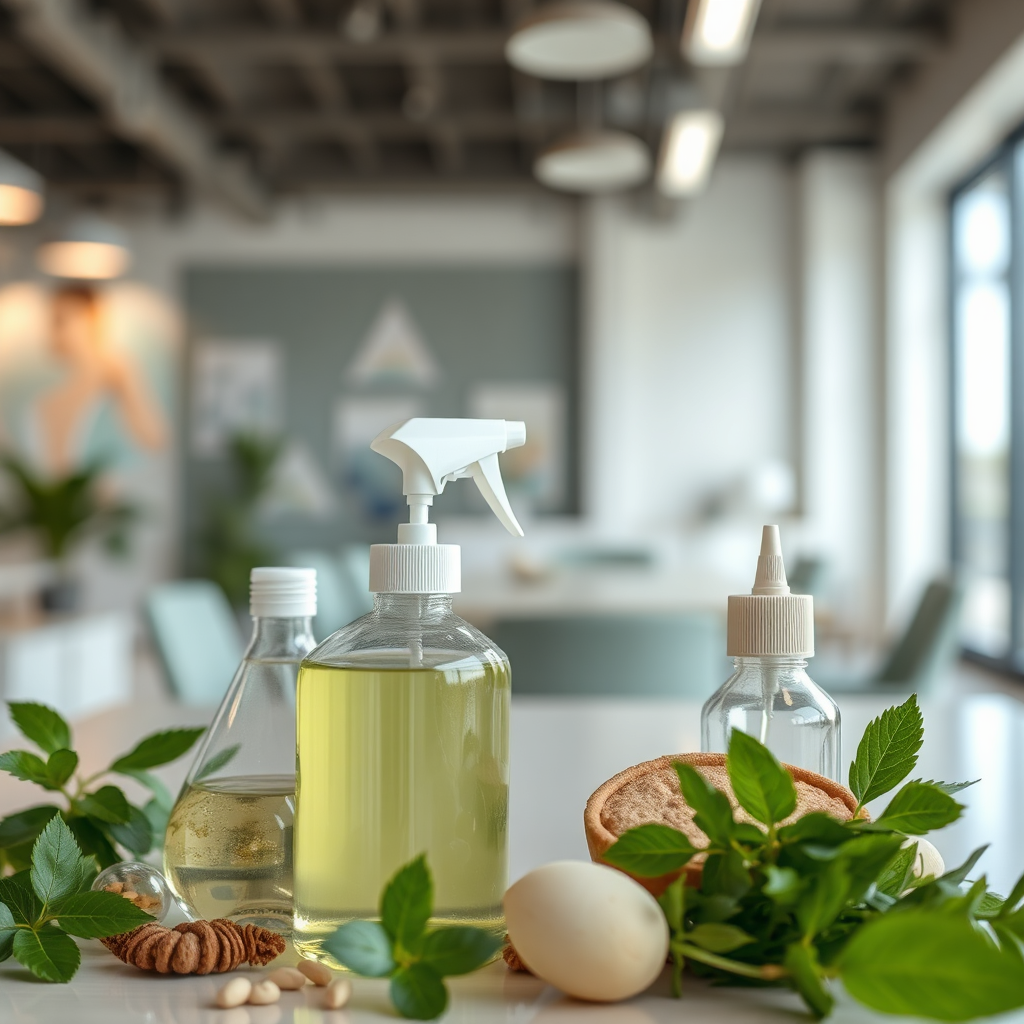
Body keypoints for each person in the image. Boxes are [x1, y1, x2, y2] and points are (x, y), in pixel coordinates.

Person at [37, 285, 167, 474]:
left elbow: (154, 438)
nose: (53, 331)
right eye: (52, 321)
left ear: (90, 321)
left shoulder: (116, 373)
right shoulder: (52, 399)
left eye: (61, 321)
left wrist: (126, 383)